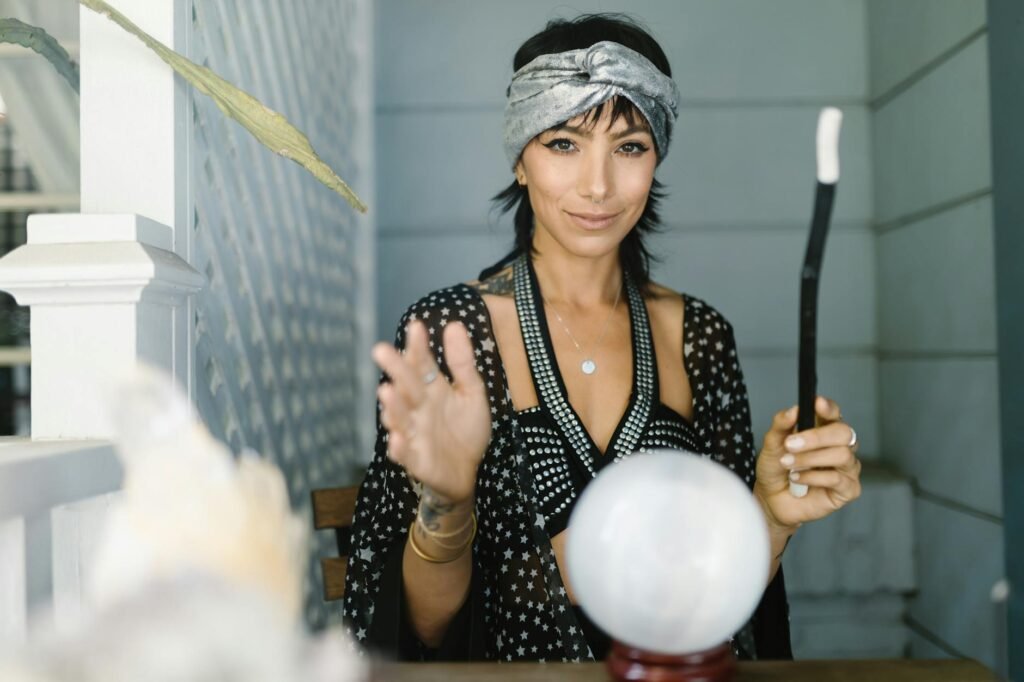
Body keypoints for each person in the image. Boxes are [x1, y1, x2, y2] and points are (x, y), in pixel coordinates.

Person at [342, 13, 862, 663]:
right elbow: (416, 632)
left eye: (629, 146)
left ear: (657, 157)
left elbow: (718, 590)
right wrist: (447, 506)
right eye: (563, 143)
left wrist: (771, 516)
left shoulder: (696, 336)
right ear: (521, 158)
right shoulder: (452, 337)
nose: (597, 185)